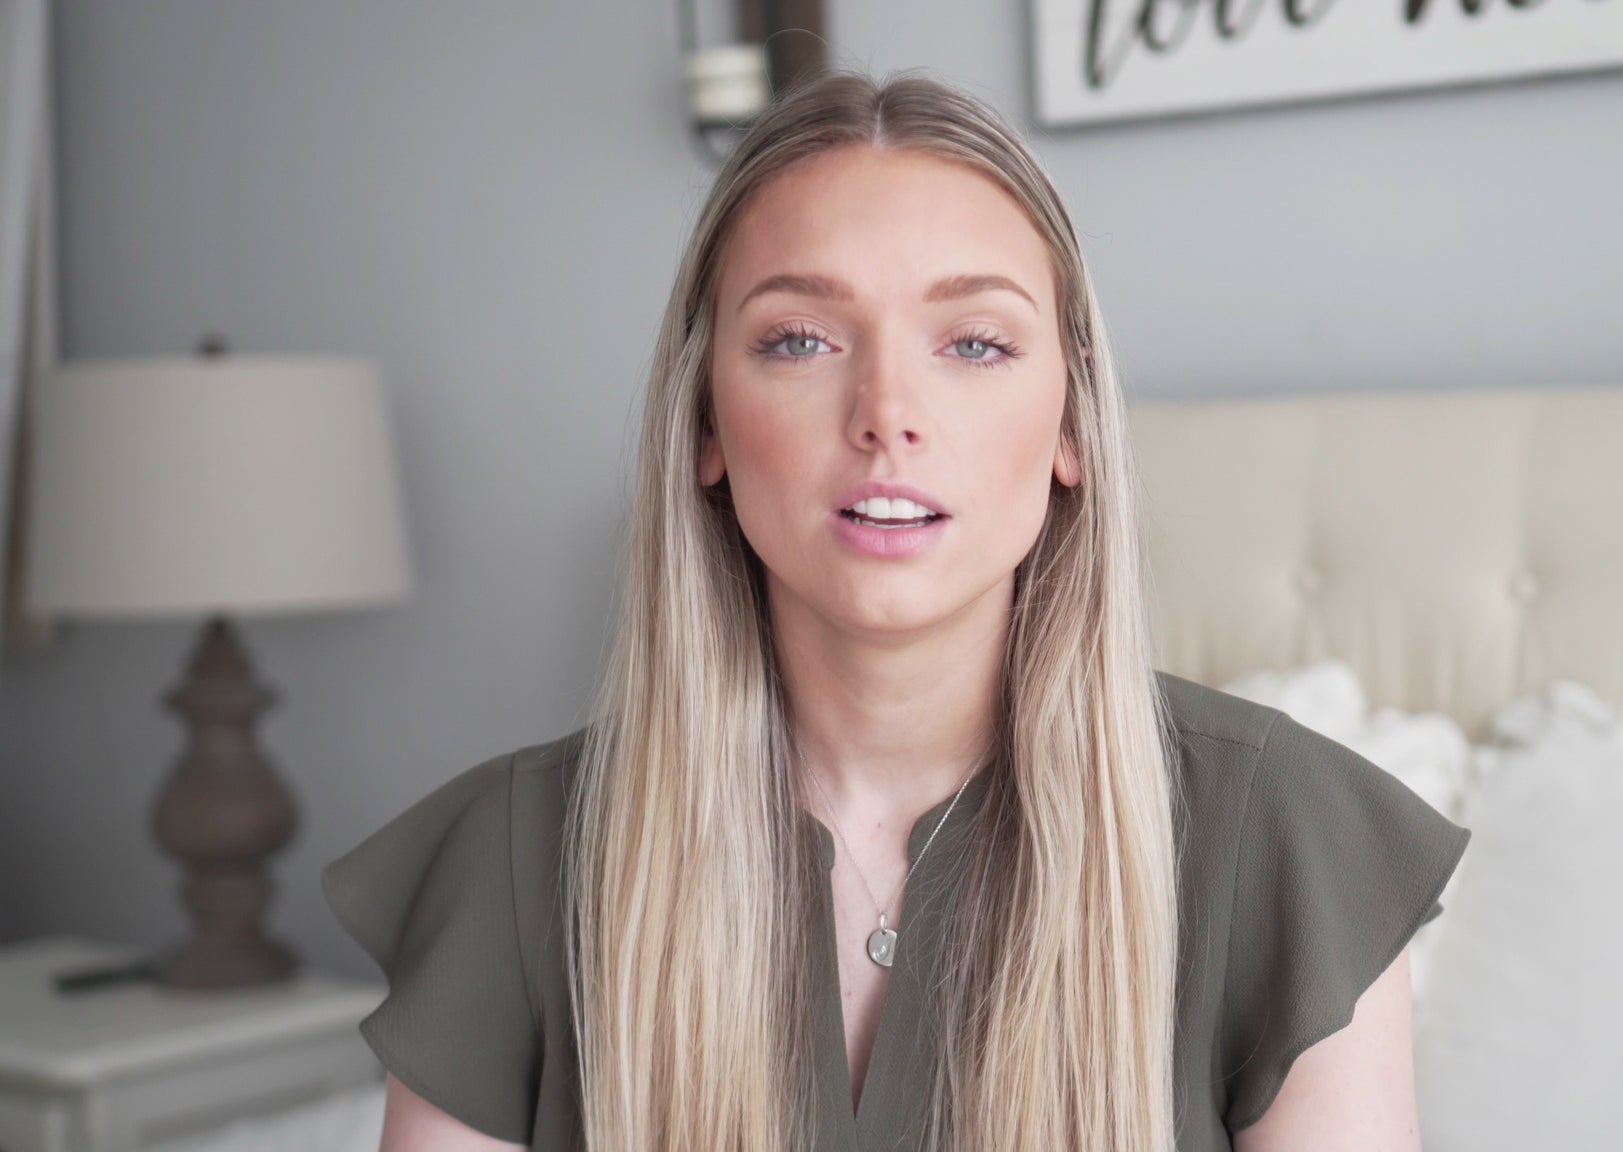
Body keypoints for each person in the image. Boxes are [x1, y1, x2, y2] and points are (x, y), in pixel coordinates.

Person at [323, 66, 1469, 1152]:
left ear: (1071, 426)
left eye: (973, 342)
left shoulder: (1281, 838)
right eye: (799, 340)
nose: (885, 412)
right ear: (706, 422)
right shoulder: (511, 863)